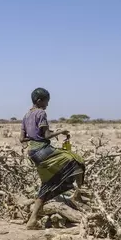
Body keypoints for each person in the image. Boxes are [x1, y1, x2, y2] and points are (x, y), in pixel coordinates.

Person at [19, 87, 85, 229]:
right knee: (77, 160)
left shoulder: (26, 116)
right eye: (46, 101)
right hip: (43, 150)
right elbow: (47, 136)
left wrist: (36, 136)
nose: (47, 104)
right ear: (39, 101)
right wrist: (62, 131)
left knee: (47, 184)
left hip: (33, 152)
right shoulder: (41, 113)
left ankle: (32, 220)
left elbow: (22, 139)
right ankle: (80, 193)